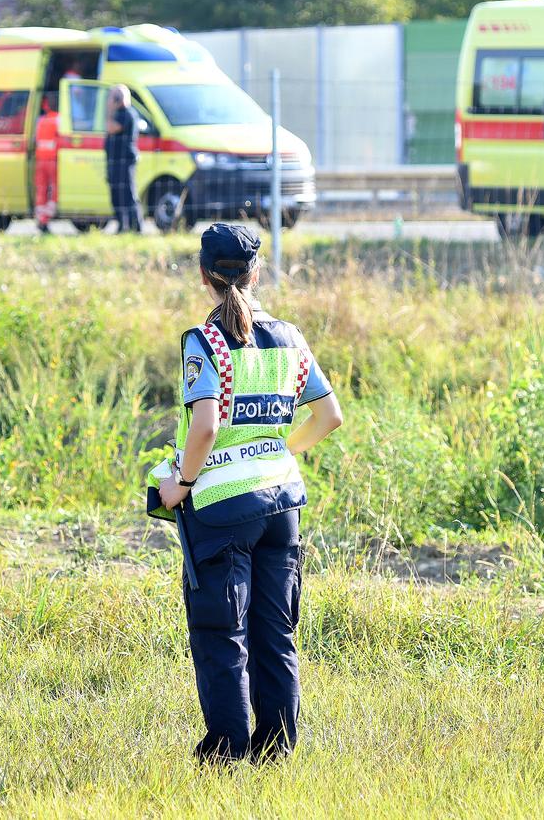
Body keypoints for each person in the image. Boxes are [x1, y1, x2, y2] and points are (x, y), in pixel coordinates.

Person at [151, 224, 343, 764]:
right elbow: (330, 416)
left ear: (203, 275)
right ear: (257, 273)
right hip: (281, 503)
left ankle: (226, 755)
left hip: (220, 511)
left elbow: (206, 427)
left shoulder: (203, 342)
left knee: (221, 631)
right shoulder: (291, 338)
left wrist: (179, 485)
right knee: (275, 630)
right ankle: (277, 751)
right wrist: (280, 451)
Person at [105, 84, 142, 233]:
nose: (113, 100)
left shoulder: (127, 113)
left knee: (127, 193)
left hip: (124, 161)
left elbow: (111, 127)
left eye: (115, 97)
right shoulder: (119, 113)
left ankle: (135, 226)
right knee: (116, 194)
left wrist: (110, 109)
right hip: (114, 161)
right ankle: (122, 225)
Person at [33, 97, 60, 233]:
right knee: (54, 190)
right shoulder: (59, 119)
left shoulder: (41, 120)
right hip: (53, 160)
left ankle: (41, 219)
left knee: (41, 190)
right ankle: (47, 217)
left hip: (40, 159)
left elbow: (35, 139)